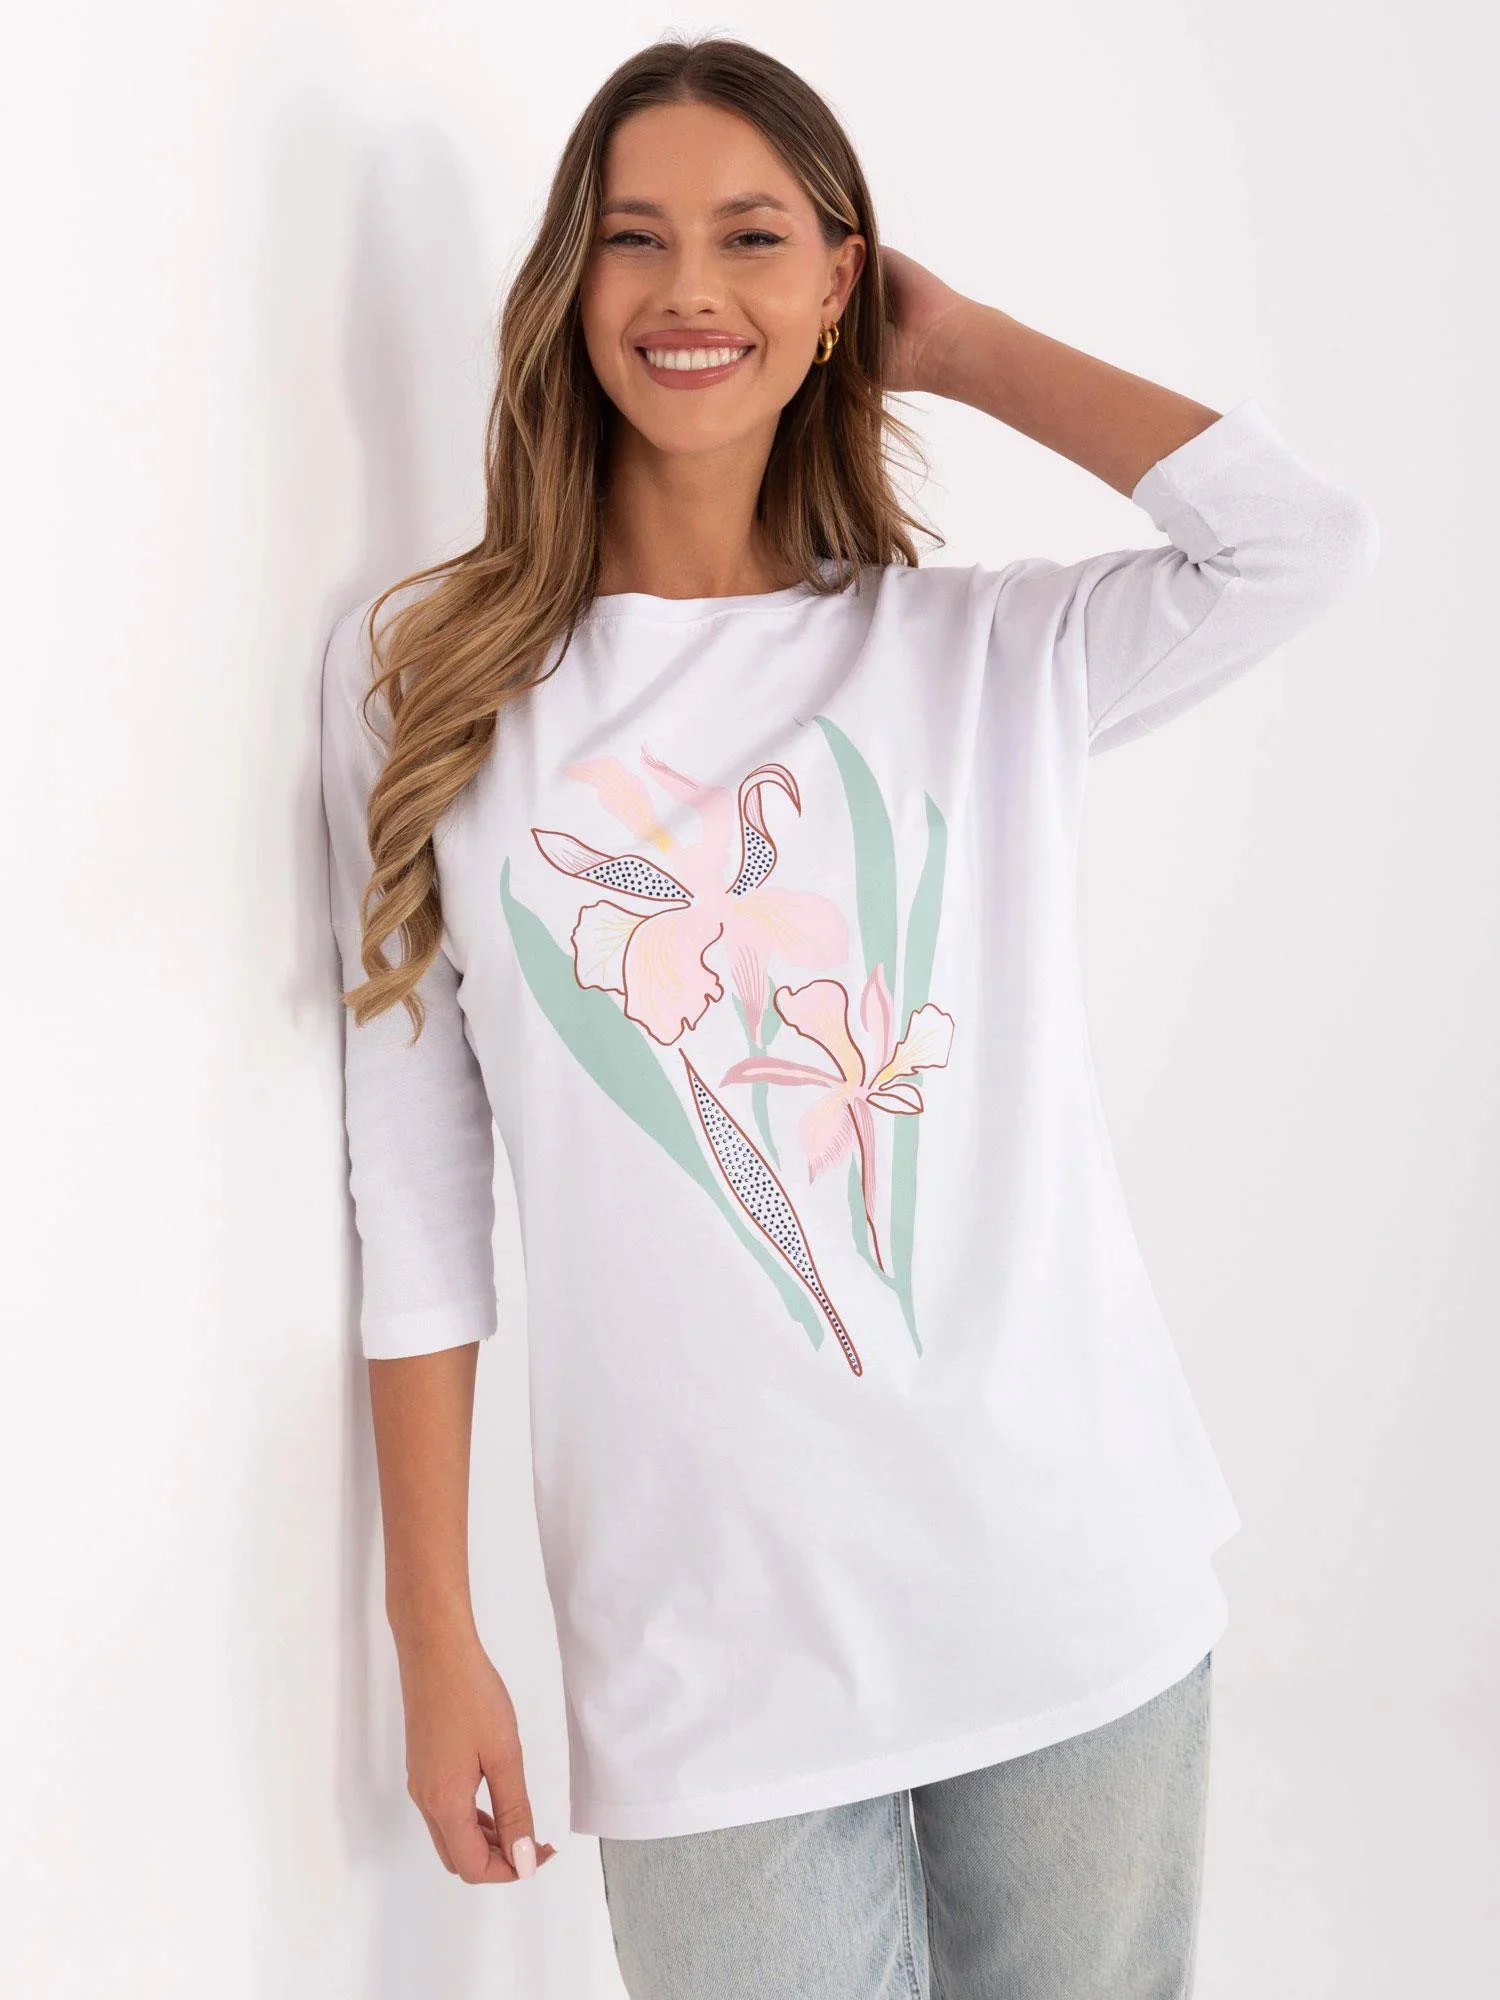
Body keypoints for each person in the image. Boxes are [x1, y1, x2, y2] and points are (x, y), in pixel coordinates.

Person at [318, 32, 1378, 2000]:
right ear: (568, 283)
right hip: (704, 1653)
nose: (688, 289)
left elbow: (1302, 542)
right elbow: (421, 1189)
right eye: (633, 237)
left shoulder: (977, 655)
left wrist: (958, 345)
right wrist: (433, 1631)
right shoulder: (431, 681)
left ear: (840, 287)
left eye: (752, 238)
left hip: (1067, 1586)